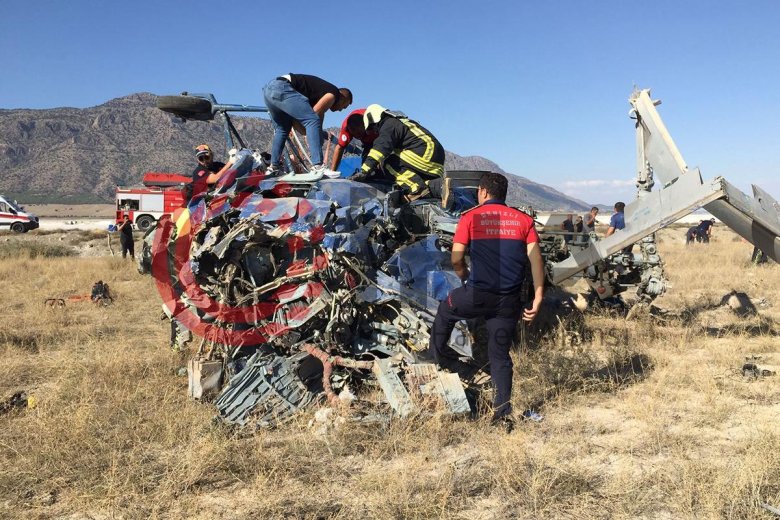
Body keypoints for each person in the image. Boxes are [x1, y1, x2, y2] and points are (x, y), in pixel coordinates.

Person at [428, 172, 544, 431]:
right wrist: (537, 297)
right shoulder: (524, 221)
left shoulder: (470, 217)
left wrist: (465, 276)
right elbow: (536, 261)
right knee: (500, 355)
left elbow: (457, 258)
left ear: (482, 192)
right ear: (503, 194)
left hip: (477, 295)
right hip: (508, 301)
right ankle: (502, 412)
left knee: (446, 310)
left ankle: (439, 357)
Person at [262, 74, 352, 176]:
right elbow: (314, 116)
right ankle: (318, 166)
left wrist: (309, 133)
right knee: (312, 119)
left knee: (282, 129)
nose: (340, 110)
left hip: (269, 91)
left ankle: (273, 167)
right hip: (282, 87)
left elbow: (298, 121)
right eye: (344, 106)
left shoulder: (314, 97)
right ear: (343, 97)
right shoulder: (333, 93)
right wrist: (310, 134)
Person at [352, 104, 445, 200]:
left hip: (425, 154)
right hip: (435, 160)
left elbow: (380, 149)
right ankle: (437, 186)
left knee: (388, 163)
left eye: (372, 128)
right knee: (400, 165)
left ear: (375, 121)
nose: (375, 132)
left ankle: (417, 189)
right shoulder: (399, 122)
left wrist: (364, 171)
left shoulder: (388, 125)